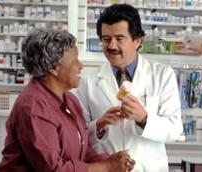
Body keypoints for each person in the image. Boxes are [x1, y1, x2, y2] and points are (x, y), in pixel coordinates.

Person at [0, 28, 135, 172]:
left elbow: (82, 148)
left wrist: (111, 161)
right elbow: (55, 169)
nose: (81, 66)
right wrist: (106, 167)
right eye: (74, 60)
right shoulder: (33, 106)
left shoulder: (69, 99)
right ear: (53, 68)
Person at [74, 4, 183, 172]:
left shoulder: (162, 75)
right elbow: (77, 135)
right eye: (106, 39)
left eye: (119, 38)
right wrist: (99, 126)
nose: (111, 46)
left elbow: (174, 129)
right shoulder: (88, 81)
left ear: (138, 40)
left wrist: (143, 118)